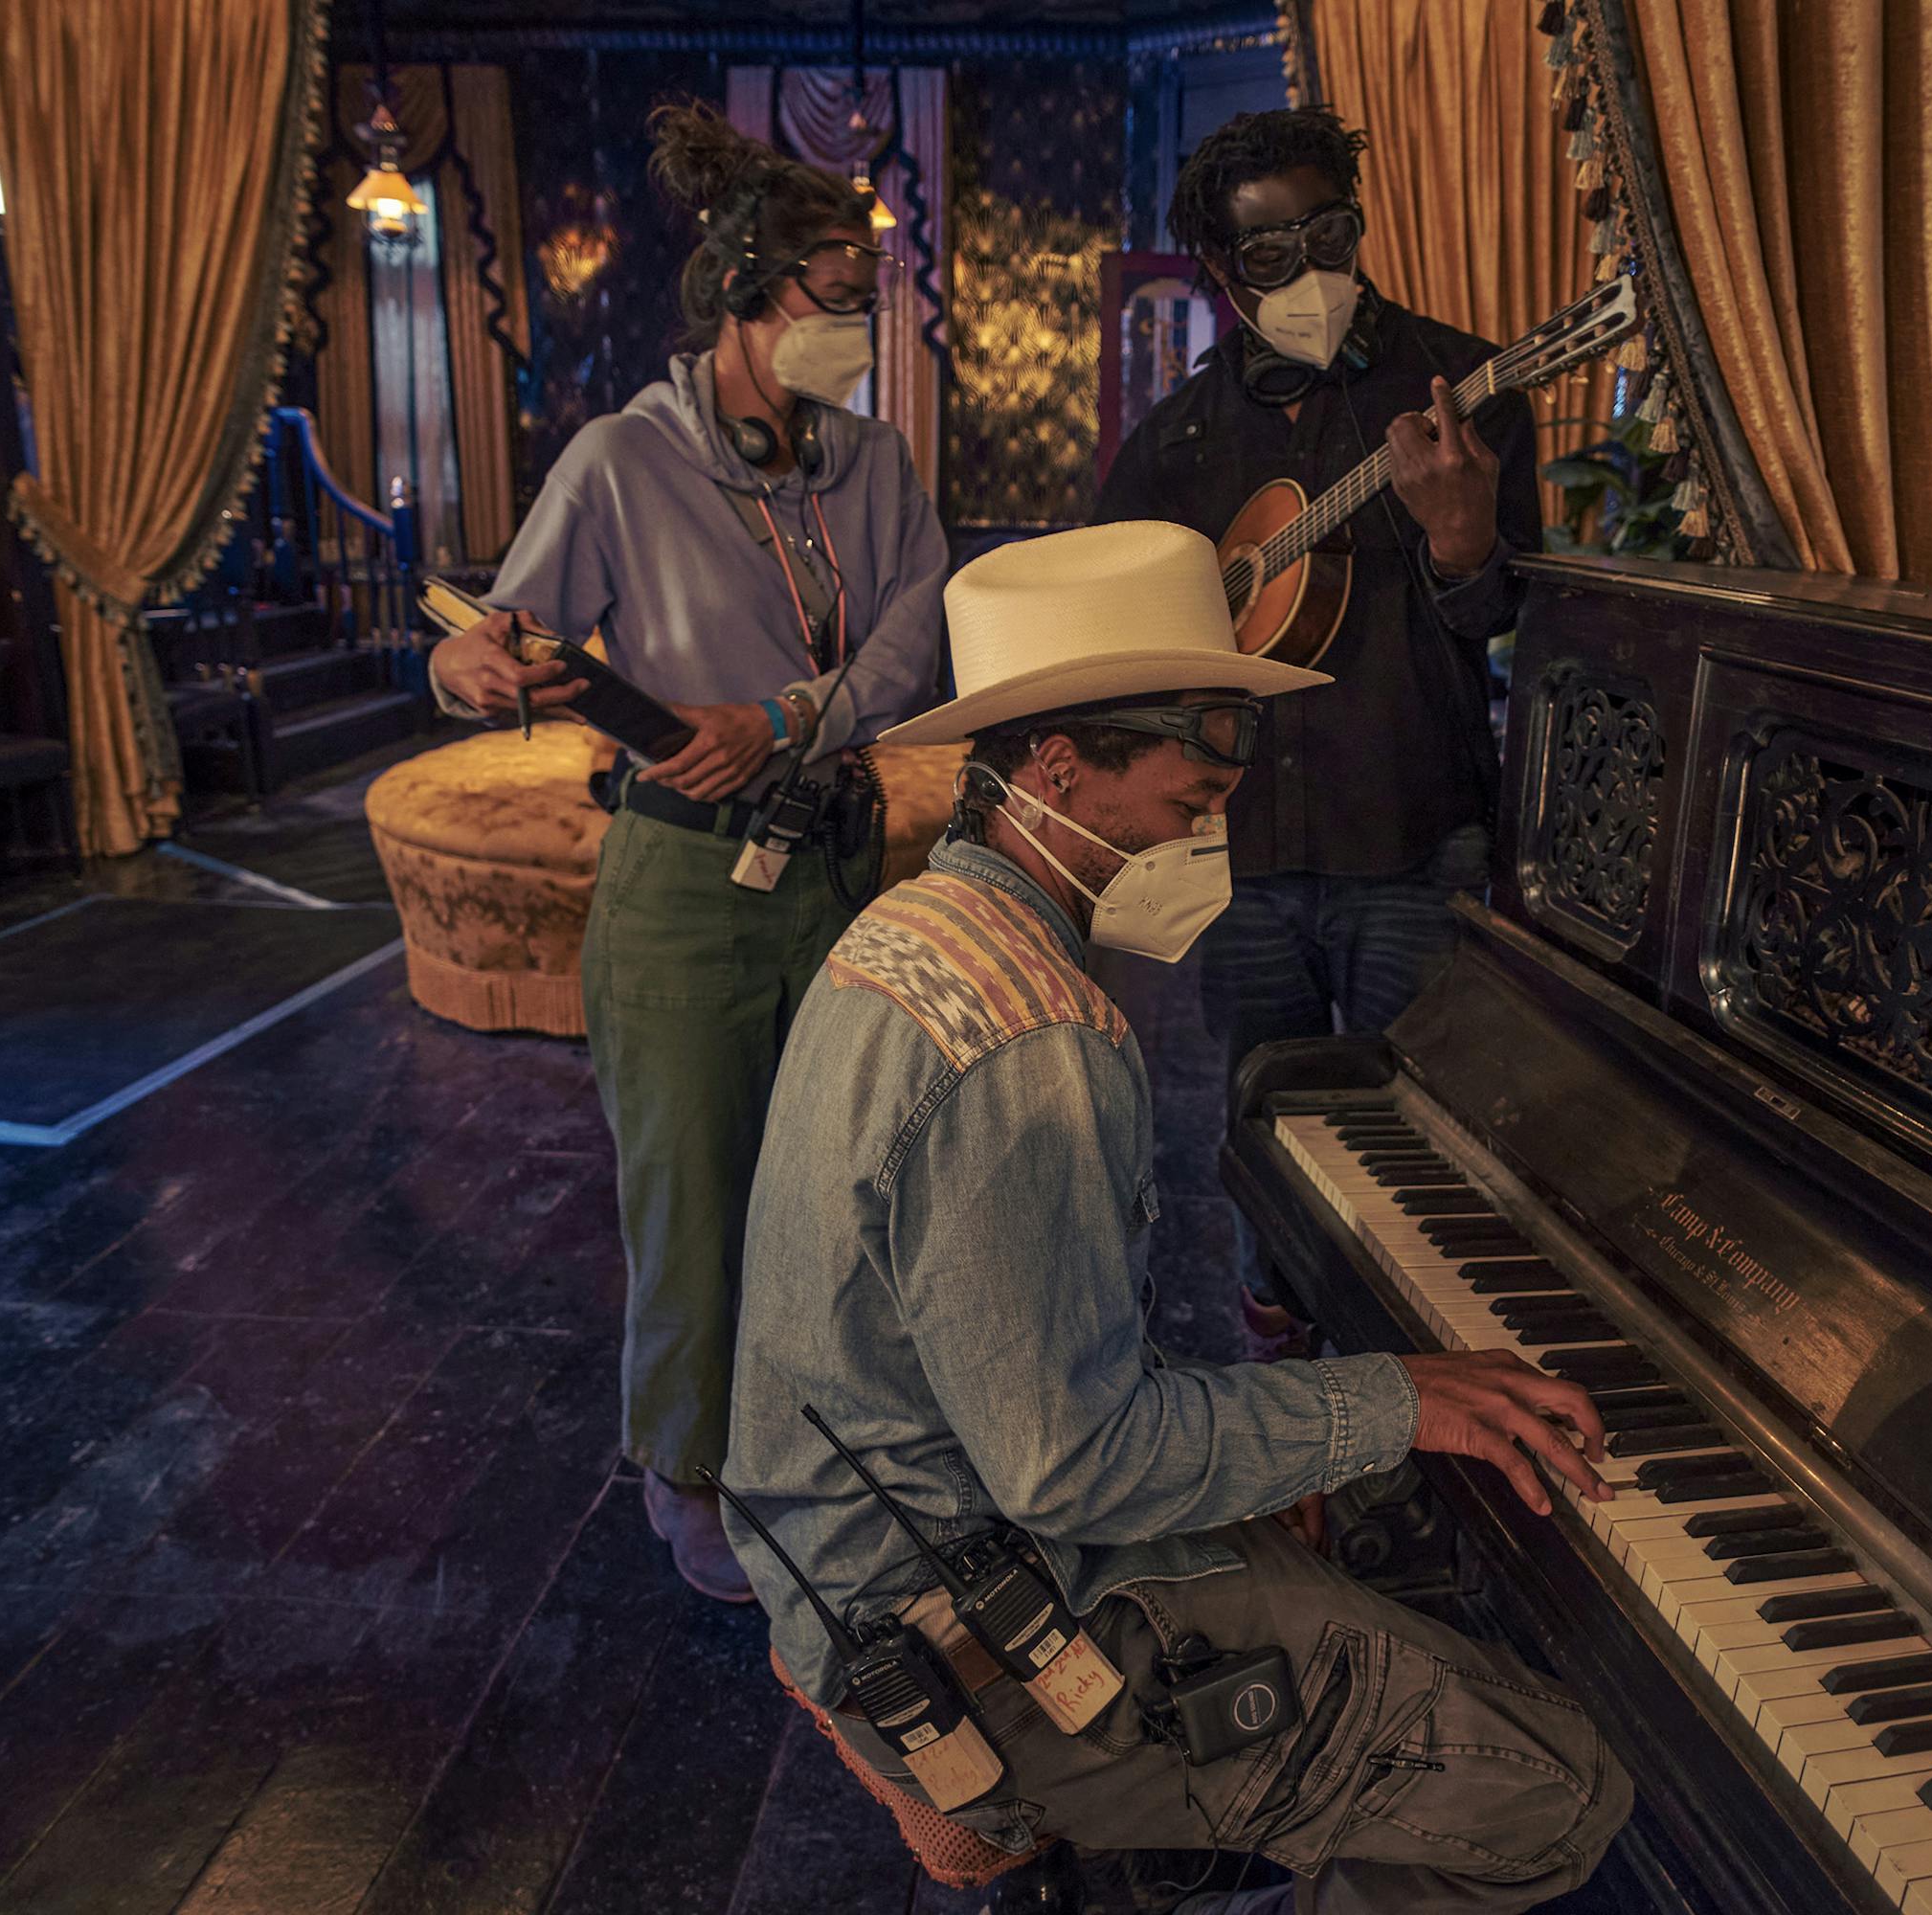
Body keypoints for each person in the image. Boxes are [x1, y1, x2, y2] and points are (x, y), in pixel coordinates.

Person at [718, 521, 1629, 1915]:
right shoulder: (1033, 1043)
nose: (1205, 841)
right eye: (1186, 803)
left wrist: (1349, 1419)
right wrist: (1392, 1401)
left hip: (867, 1537)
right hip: (951, 1623)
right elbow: (1071, 1469)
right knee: (1555, 1795)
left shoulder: (915, 927)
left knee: (1354, 1508)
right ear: (1053, 765)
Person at [428, 102, 947, 1603]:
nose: (853, 327)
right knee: (692, 1188)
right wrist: (481, 672)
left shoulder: (873, 461)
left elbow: (915, 625)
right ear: (739, 298)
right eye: (828, 301)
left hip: (837, 862)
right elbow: (500, 636)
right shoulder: (619, 460)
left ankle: (821, 1440)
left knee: (839, 1182)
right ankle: (689, 1469)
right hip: (682, 883)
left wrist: (790, 714)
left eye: (866, 300)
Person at [1092, 108, 1539, 1352]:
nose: (1309, 272)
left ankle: (1420, 1409)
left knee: (1422, 1140)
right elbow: (1116, 642)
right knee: (1262, 1133)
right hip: (1239, 860)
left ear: (1354, 217)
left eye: (1326, 234)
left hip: (1412, 839)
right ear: (1223, 278)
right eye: (1269, 257)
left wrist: (1460, 544)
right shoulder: (1175, 442)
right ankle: (1284, 1393)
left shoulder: (1464, 388)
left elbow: (1518, 619)